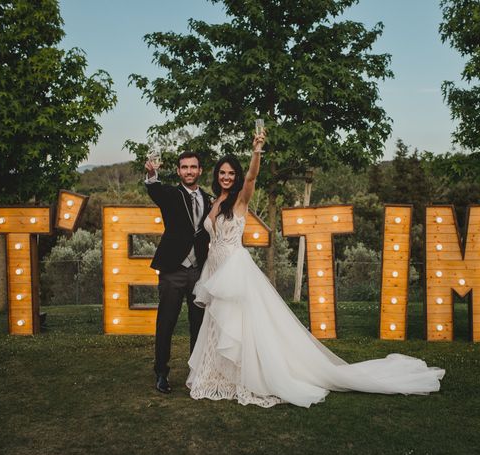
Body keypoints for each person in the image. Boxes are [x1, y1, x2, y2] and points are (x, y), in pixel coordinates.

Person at [187, 130, 445, 408]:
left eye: (231, 173)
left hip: (235, 271)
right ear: (217, 175)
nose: (227, 177)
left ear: (236, 176)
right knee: (217, 323)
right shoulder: (214, 202)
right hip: (216, 270)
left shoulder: (241, 199)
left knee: (240, 325)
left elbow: (252, 177)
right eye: (222, 173)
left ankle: (246, 378)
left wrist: (257, 151)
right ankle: (218, 377)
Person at [145, 151, 212, 394]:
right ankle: (161, 373)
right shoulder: (172, 195)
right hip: (173, 270)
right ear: (178, 171)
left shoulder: (209, 198)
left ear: (200, 170)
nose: (189, 171)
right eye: (184, 167)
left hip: (199, 272)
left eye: (193, 167)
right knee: (166, 324)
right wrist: (152, 173)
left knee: (199, 325)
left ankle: (197, 373)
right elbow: (154, 190)